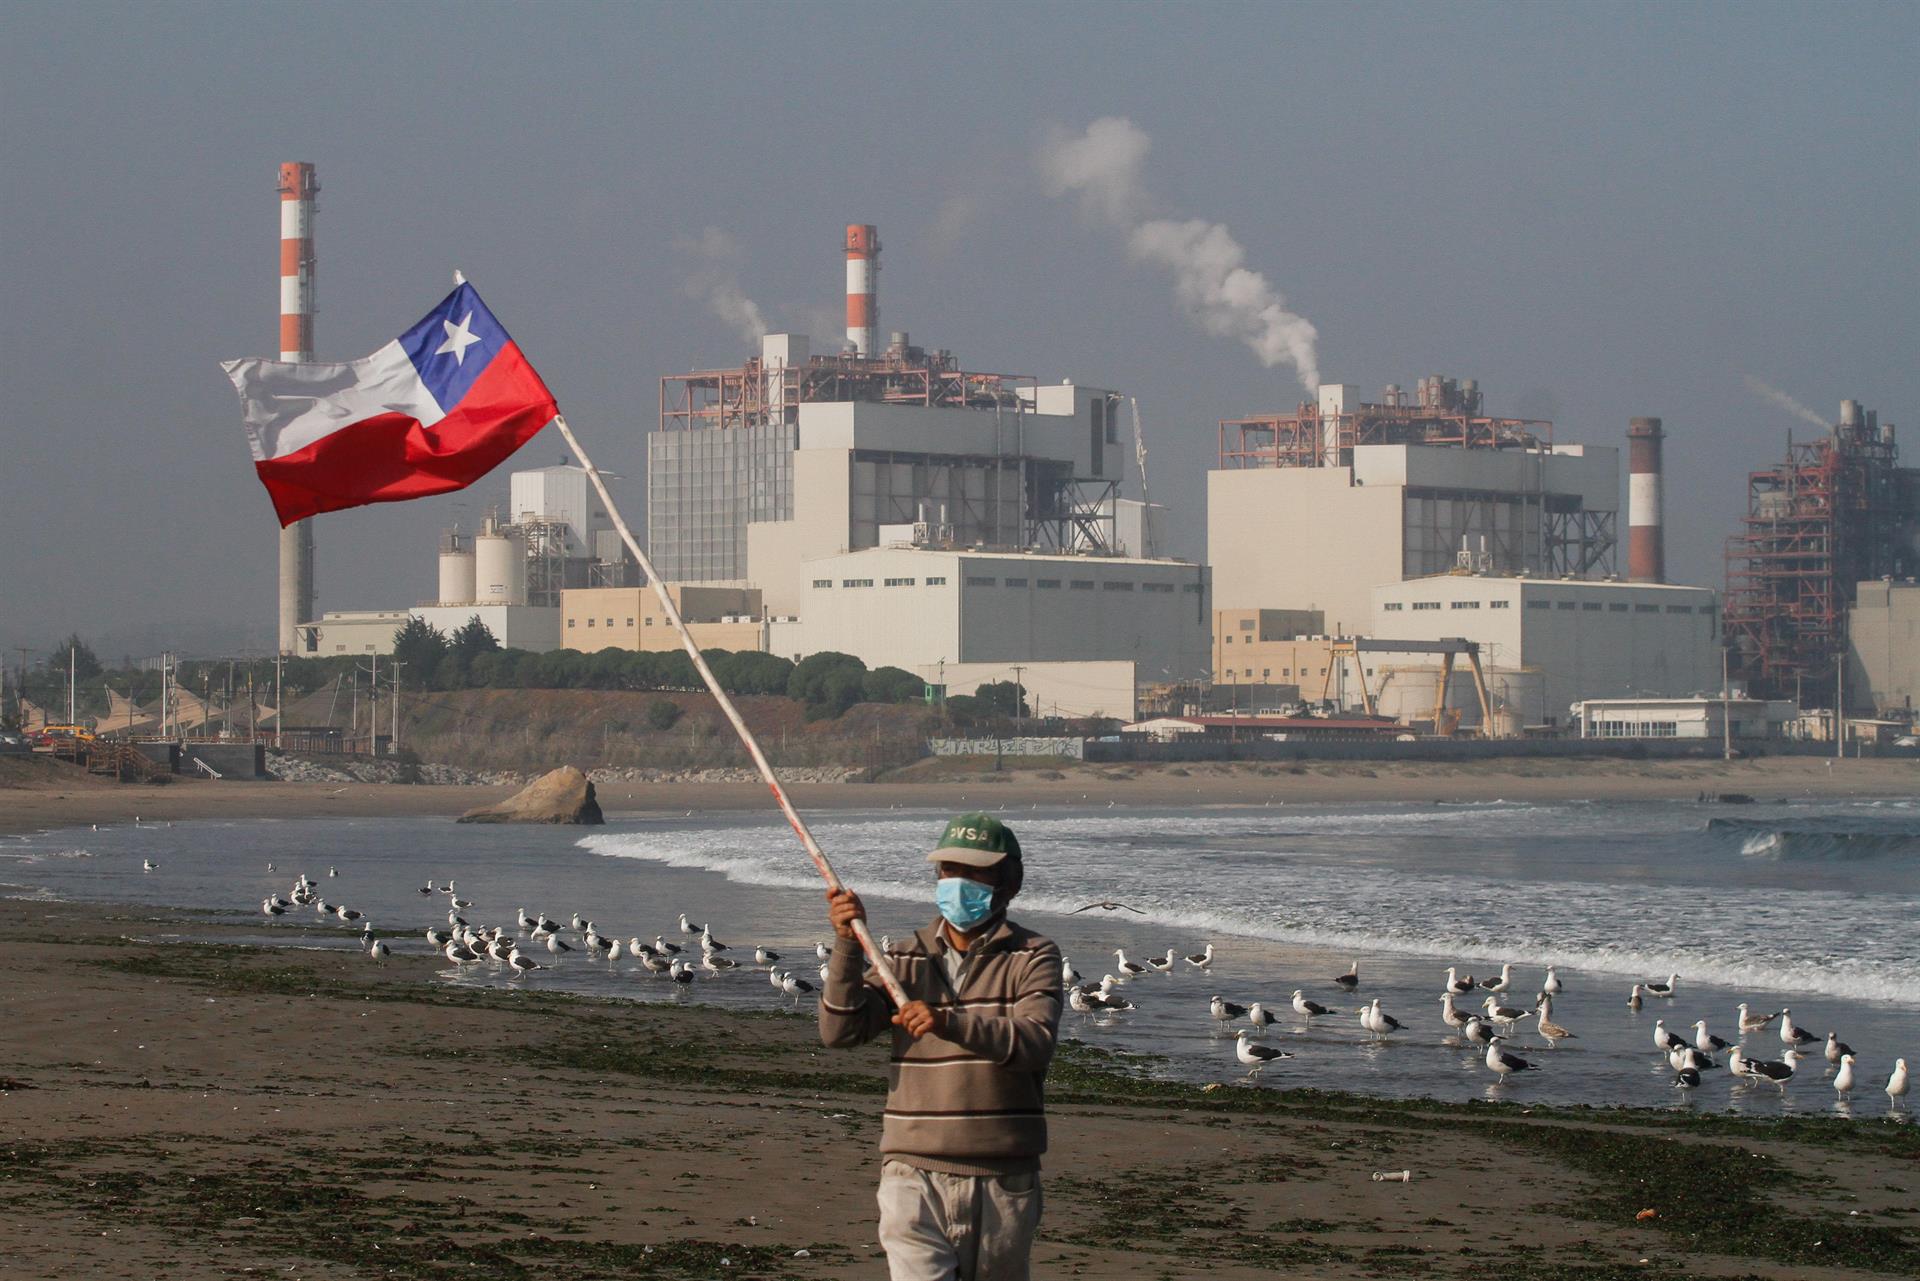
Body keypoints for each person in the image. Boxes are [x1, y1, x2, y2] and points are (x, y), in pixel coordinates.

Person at [820, 813, 1063, 1281]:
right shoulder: (906, 957)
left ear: (1007, 883)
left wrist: (948, 1023)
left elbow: (1035, 1042)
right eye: (950, 871)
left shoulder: (1034, 955)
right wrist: (847, 943)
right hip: (912, 1172)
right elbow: (840, 1031)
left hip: (1002, 1177)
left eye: (974, 873)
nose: (958, 883)